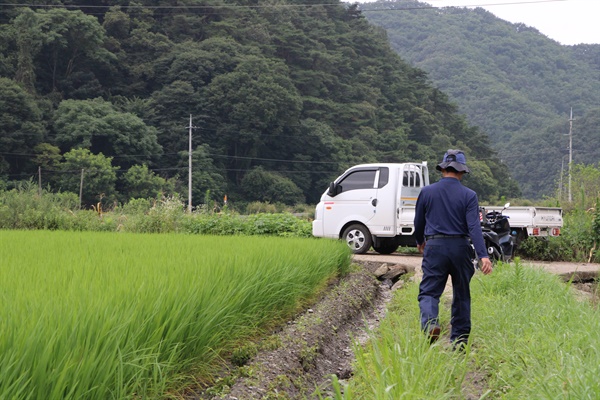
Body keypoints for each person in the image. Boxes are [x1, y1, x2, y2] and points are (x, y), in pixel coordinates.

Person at [414, 149, 493, 350]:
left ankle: (431, 323)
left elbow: (419, 222)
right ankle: (459, 341)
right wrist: (483, 255)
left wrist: (420, 241)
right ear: (462, 172)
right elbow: (474, 227)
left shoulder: (427, 192)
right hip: (460, 247)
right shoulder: (469, 195)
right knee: (461, 293)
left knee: (429, 292)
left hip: (434, 246)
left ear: (443, 169)